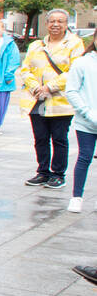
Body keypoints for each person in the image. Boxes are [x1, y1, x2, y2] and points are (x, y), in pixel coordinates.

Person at [21, 9, 84, 190]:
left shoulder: (74, 44)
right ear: (47, 23)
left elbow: (74, 71)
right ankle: (43, 171)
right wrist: (35, 87)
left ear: (66, 25)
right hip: (38, 100)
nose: (55, 24)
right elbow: (26, 69)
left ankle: (57, 173)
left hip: (60, 100)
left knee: (59, 138)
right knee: (40, 137)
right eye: (52, 21)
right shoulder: (36, 45)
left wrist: (50, 87)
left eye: (60, 21)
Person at [63, 37, 97, 212]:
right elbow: (71, 90)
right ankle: (77, 197)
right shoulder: (83, 63)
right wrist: (87, 112)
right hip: (87, 121)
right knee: (85, 157)